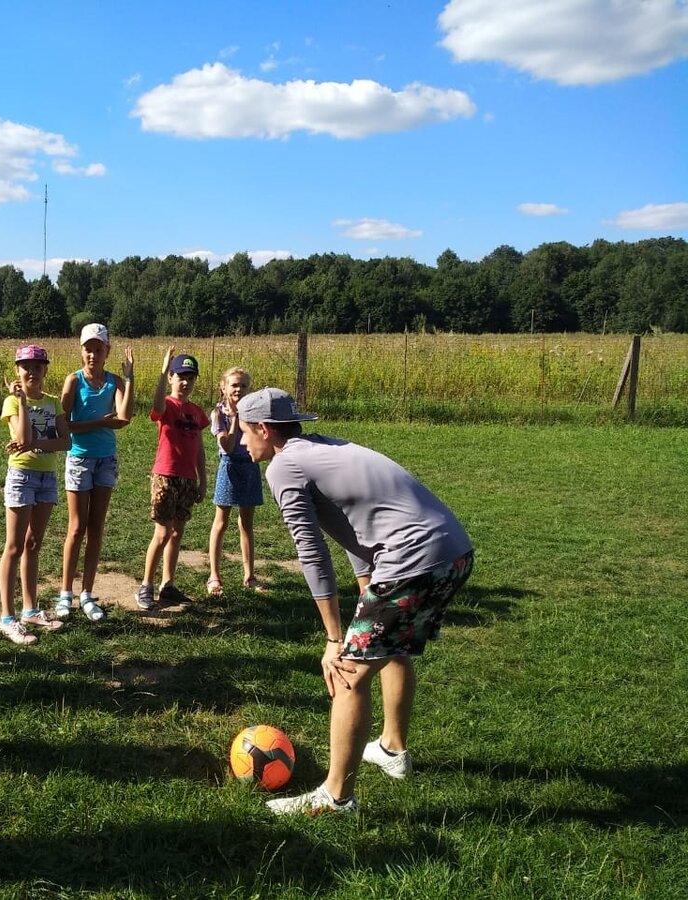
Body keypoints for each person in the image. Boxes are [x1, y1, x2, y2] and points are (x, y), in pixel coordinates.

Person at [235, 388, 474, 816]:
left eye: (244, 431)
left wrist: (333, 639)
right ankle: (392, 751)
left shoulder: (285, 466)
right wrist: (368, 587)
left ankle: (336, 797)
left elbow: (311, 553)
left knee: (347, 674)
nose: (241, 441)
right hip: (453, 554)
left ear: (264, 429)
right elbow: (353, 523)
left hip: (413, 559)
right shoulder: (322, 448)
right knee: (392, 648)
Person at [55, 323, 134, 621]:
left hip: (106, 460)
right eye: (88, 349)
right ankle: (65, 593)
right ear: (82, 350)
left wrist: (130, 377)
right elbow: (64, 425)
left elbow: (124, 417)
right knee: (76, 528)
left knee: (96, 528)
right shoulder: (73, 382)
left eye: (98, 349)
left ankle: (87, 593)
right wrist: (101, 421)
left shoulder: (115, 381)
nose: (93, 354)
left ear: (107, 351)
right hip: (79, 459)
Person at [0, 345, 72, 645]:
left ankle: (30, 609)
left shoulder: (54, 403)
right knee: (14, 546)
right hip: (21, 476)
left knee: (33, 543)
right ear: (17, 370)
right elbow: (21, 439)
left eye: (37, 366)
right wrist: (23, 403)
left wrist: (36, 444)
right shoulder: (11, 403)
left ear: (45, 369)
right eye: (25, 366)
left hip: (47, 477)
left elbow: (65, 441)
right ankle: (7, 617)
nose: (31, 371)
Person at [135, 348, 208, 610]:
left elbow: (199, 448)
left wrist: (203, 479)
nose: (185, 382)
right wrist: (162, 370)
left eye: (190, 377)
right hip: (165, 476)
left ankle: (168, 585)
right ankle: (146, 586)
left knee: (177, 533)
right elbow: (156, 406)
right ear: (172, 378)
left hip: (187, 479)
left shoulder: (197, 412)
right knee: (163, 532)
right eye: (180, 377)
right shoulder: (167, 406)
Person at [206, 367, 265, 596]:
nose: (238, 389)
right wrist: (235, 419)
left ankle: (249, 576)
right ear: (223, 387)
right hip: (229, 468)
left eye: (243, 385)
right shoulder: (218, 414)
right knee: (221, 522)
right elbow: (227, 446)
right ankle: (214, 576)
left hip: (249, 466)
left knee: (247, 524)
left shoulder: (254, 413)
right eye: (234, 385)